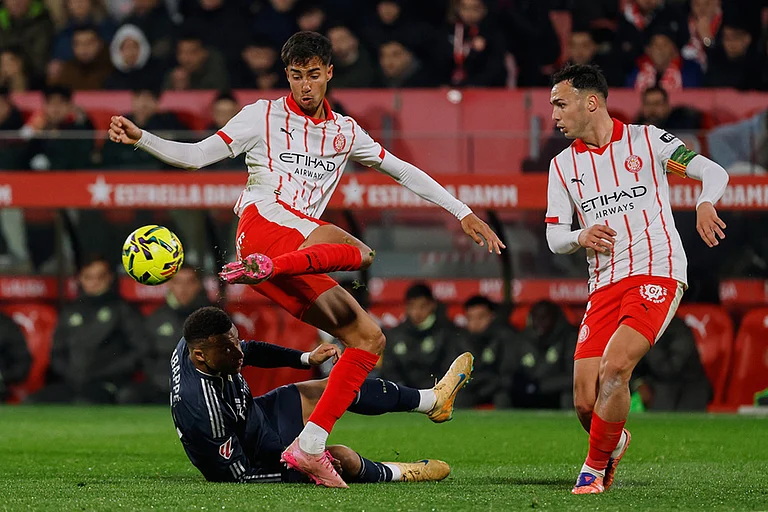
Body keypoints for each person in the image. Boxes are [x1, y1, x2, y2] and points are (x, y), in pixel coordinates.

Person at [107, 30, 503, 488]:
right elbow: (197, 156)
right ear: (287, 77)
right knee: (359, 251)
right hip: (261, 229)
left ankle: (391, 417)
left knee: (368, 339)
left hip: (293, 256)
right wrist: (142, 139)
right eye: (296, 77)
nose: (305, 87)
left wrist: (462, 211)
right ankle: (271, 278)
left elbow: (402, 170)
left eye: (314, 76)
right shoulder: (262, 116)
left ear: (329, 73)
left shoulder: (345, 132)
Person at [544, 64, 729, 494]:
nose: (553, 113)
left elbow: (712, 171)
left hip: (656, 271)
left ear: (591, 102)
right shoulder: (562, 166)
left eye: (560, 103)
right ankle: (614, 440)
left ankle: (592, 470)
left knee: (617, 366)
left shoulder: (648, 140)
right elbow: (554, 237)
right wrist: (580, 235)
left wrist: (704, 202)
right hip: (604, 282)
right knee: (585, 401)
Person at [172, 306, 470, 485]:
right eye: (228, 349)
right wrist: (303, 472)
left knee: (330, 386)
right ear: (200, 357)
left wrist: (306, 358)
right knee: (340, 458)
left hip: (255, 414)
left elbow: (249, 350)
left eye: (235, 340)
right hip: (254, 454)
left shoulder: (200, 342)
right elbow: (235, 475)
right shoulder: (202, 410)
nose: (238, 352)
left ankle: (433, 400)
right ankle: (400, 472)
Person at [27, 254, 148, 404]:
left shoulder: (123, 310)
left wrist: (105, 371)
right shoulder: (70, 310)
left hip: (108, 383)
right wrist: (71, 372)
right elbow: (57, 353)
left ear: (109, 278)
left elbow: (140, 351)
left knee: (85, 401)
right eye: (88, 277)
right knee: (33, 401)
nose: (95, 282)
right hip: (71, 382)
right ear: (80, 279)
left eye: (100, 277)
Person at [381, 283, 468, 389]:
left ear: (432, 305)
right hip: (404, 395)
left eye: (422, 306)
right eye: (412, 306)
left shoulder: (448, 333)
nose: (417, 312)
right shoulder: (395, 335)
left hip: (437, 393)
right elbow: (389, 369)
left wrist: (431, 392)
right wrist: (402, 390)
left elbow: (451, 368)